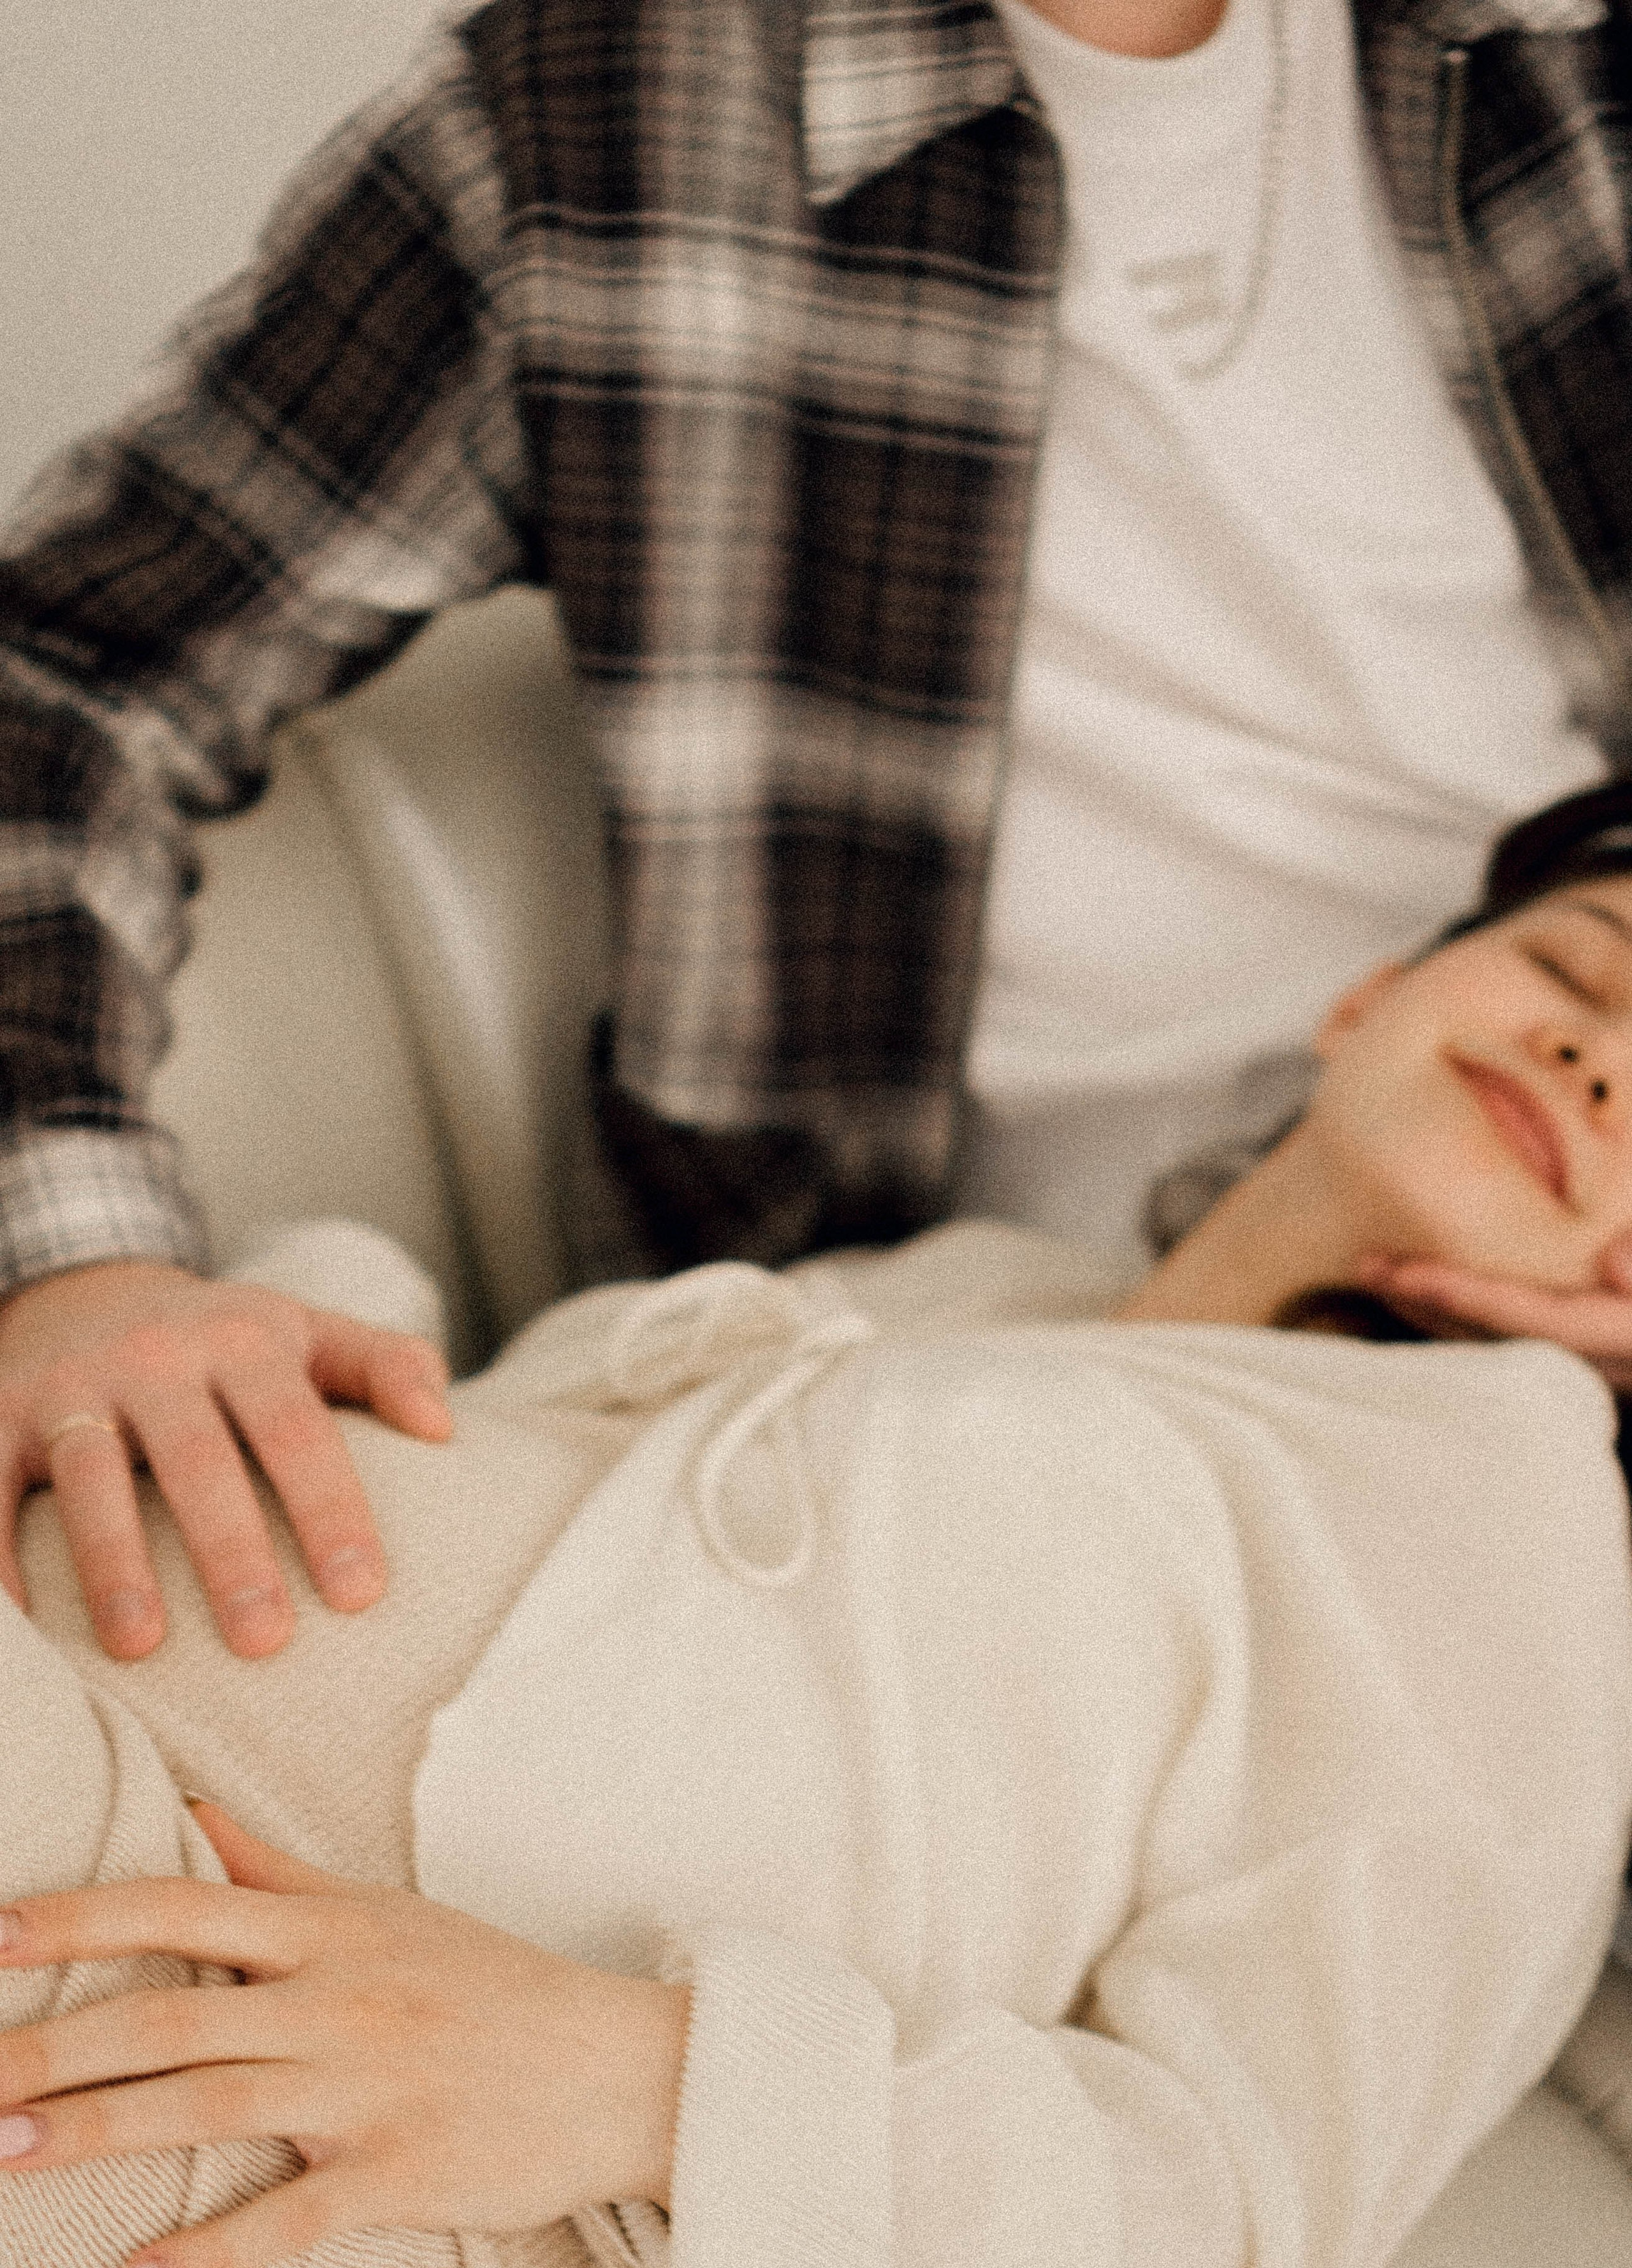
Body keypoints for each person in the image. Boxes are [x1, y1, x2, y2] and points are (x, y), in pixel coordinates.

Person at [8, 0, 1632, 1664]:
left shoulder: (1576, 61)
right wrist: (73, 1261)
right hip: (907, 1491)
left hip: (1562, 1448)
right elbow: (60, 675)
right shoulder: (596, 125)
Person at [1, 794, 1631, 2268]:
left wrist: (659, 2083)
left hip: (401, 2209)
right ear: (1370, 997)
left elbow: (1233, 2205)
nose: (1599, 1065)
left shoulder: (1518, 1523)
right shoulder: (1000, 1286)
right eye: (1580, 972)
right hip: (141, 1842)